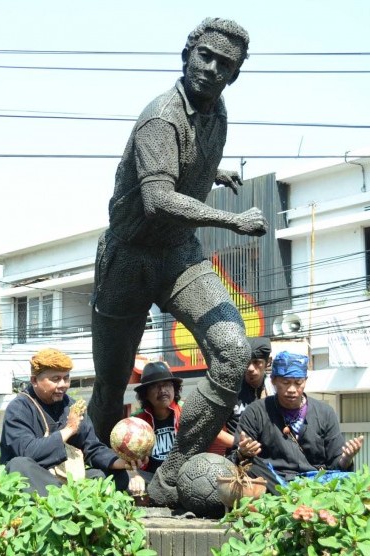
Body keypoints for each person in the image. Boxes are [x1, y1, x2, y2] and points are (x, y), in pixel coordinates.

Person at [87, 17, 268, 508]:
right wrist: (231, 220)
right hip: (128, 258)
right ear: (187, 54)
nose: (211, 69)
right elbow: (158, 199)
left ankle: (171, 474)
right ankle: (97, 476)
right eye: (204, 56)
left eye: (224, 64)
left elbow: (182, 176)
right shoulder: (160, 117)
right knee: (111, 380)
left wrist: (213, 175)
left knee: (233, 352)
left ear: (234, 75)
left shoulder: (219, 114)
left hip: (179, 255)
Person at [0, 348, 144, 496]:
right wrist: (69, 429)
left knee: (111, 475)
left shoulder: (71, 406)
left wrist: (120, 462)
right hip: (38, 478)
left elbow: (92, 448)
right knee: (19, 465)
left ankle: (70, 496)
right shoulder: (18, 408)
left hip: (68, 478)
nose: (63, 384)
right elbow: (28, 452)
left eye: (66, 378)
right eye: (55, 379)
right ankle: (71, 498)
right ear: (34, 380)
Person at [232, 351, 365, 493]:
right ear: (273, 381)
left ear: (305, 381)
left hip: (316, 481)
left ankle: (300, 495)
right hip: (274, 481)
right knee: (251, 465)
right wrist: (243, 452)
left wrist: (347, 458)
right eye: (285, 382)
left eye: (298, 383)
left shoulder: (325, 412)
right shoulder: (256, 411)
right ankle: (287, 494)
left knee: (351, 481)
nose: (292, 389)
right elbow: (234, 456)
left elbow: (335, 464)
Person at [209, 337, 275, 455]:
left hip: (272, 457)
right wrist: (240, 443)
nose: (250, 368)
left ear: (267, 362)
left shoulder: (274, 388)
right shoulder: (230, 390)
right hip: (238, 457)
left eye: (257, 362)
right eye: (247, 362)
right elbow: (212, 429)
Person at [131, 362, 183, 481]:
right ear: (146, 394)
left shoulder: (186, 411)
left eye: (167, 385)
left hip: (183, 477)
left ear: (174, 389)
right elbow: (130, 461)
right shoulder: (136, 422)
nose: (162, 390)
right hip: (150, 479)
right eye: (155, 386)